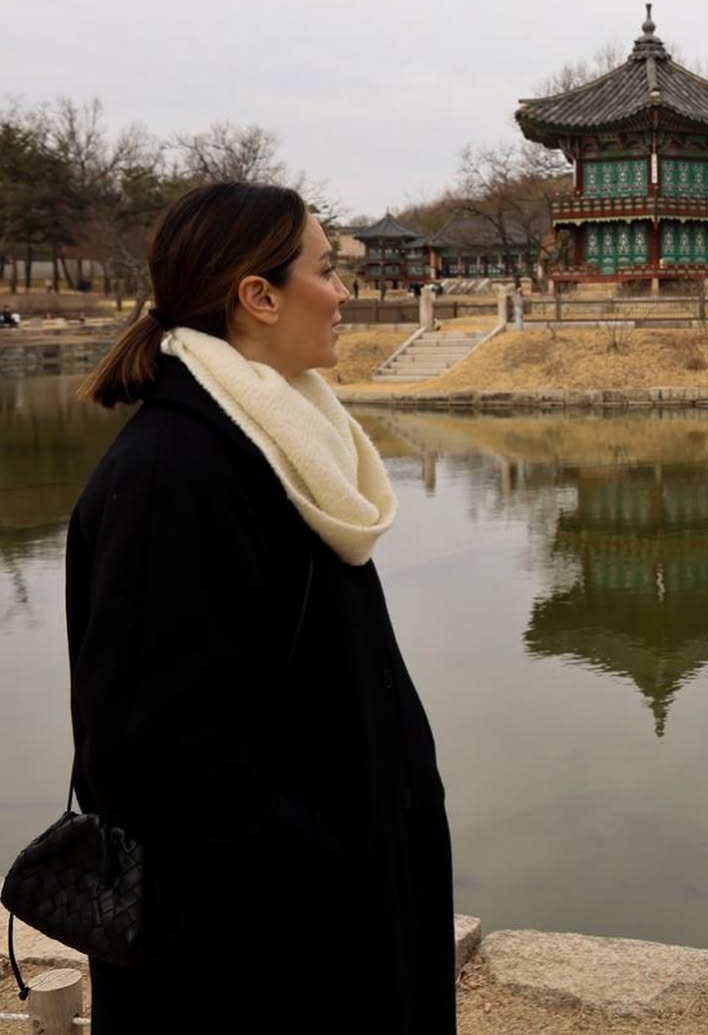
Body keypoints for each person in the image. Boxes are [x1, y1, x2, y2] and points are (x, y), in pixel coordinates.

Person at [68, 182, 456, 1034]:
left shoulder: (282, 443)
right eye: (327, 269)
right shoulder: (174, 474)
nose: (346, 291)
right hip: (255, 964)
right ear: (259, 296)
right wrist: (323, 864)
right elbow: (148, 757)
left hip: (329, 924)